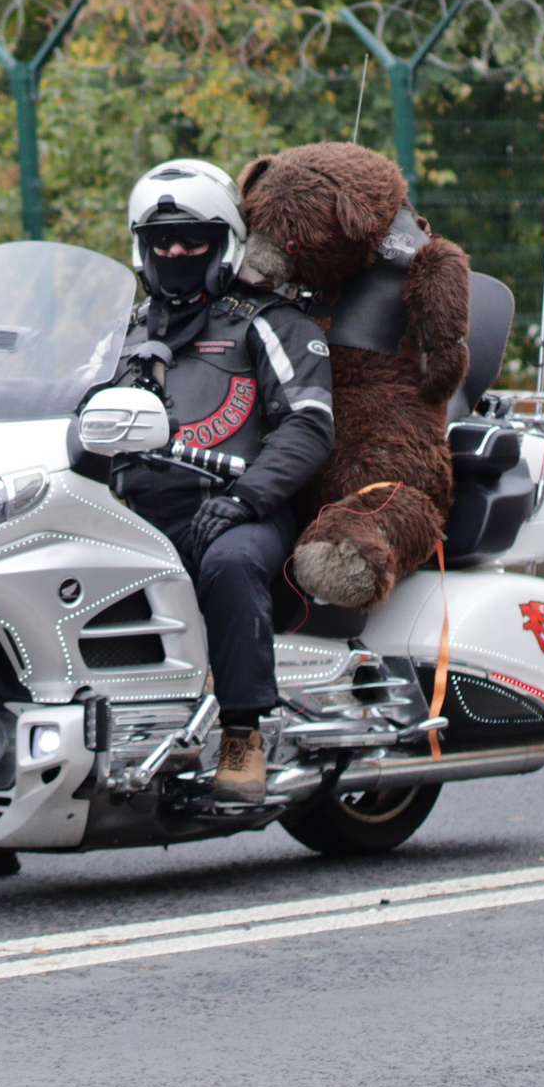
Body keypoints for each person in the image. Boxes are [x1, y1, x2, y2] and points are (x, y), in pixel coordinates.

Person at [107, 159, 337, 805]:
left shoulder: (267, 321)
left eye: (192, 239)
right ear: (141, 249)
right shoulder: (122, 332)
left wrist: (246, 498)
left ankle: (242, 732)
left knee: (229, 564)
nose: (175, 251)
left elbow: (309, 424)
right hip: (133, 512)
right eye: (162, 241)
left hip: (241, 510)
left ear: (226, 243)